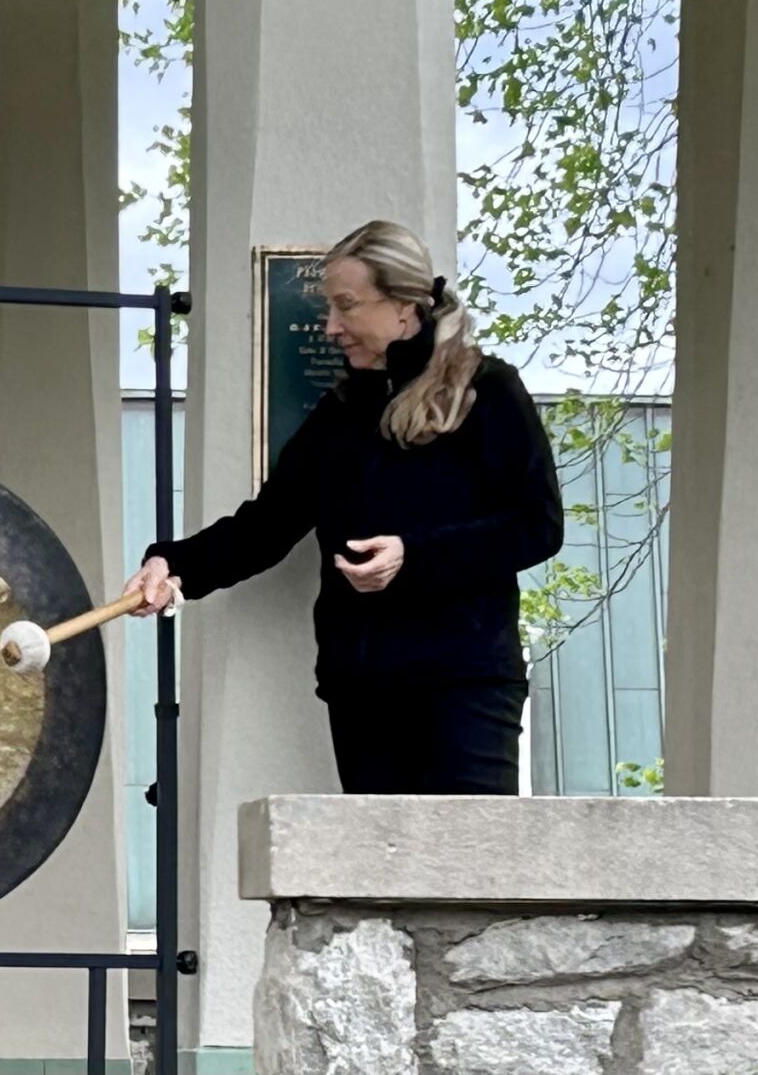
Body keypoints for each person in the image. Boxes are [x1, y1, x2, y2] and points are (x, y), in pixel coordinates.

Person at [124, 220, 563, 796]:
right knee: (377, 879)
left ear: (405, 306)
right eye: (329, 308)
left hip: (467, 683)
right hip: (363, 689)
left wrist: (415, 555)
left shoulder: (489, 391)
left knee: (465, 874)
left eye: (346, 306)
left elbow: (537, 526)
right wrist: (173, 565)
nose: (331, 327)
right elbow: (266, 525)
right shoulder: (342, 413)